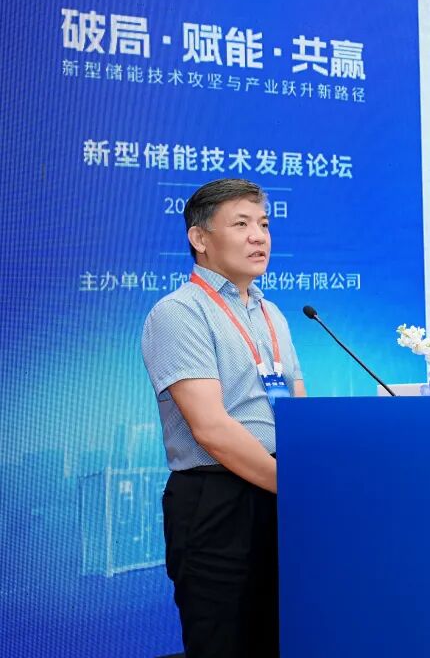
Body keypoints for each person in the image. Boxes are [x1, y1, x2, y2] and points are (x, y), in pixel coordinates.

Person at [142, 178, 305, 657]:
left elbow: (299, 410)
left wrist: (306, 475)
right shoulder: (179, 313)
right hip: (217, 499)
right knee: (225, 641)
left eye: (264, 225)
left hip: (279, 491)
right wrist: (299, 485)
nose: (259, 236)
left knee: (285, 637)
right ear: (200, 237)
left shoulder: (273, 314)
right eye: (241, 224)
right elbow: (211, 429)